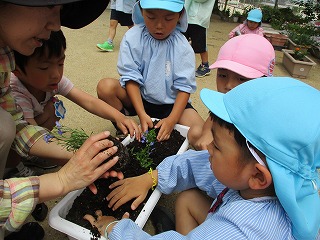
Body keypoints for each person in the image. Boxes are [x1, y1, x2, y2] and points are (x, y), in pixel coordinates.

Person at [83, 77, 320, 240]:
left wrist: (115, 228)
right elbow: (197, 165)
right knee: (188, 199)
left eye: (216, 145)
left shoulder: (242, 232)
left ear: (258, 176)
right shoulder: (271, 181)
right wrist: (152, 177)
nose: (207, 146)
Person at [0, 0, 122, 238]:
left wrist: (80, 156)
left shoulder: (5, 53)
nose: (57, 23)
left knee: (5, 124)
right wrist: (59, 181)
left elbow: (16, 125)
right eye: (49, 5)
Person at [97, 0, 204, 142]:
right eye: (151, 17)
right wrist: (141, 113)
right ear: (141, 11)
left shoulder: (182, 47)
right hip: (140, 98)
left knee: (200, 133)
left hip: (171, 104)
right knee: (105, 87)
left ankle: (166, 123)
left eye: (168, 18)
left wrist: (172, 120)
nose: (159, 25)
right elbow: (131, 77)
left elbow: (184, 87)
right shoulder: (133, 37)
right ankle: (125, 129)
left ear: (180, 14)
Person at [188, 34, 275, 150]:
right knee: (195, 132)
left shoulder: (265, 112)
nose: (228, 85)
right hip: (223, 146)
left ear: (264, 81)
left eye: (242, 79)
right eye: (223, 75)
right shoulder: (225, 100)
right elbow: (213, 117)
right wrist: (206, 134)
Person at [183, 0, 215, 78]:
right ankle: (180, 63)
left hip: (198, 19)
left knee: (200, 43)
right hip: (187, 17)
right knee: (181, 41)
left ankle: (205, 65)